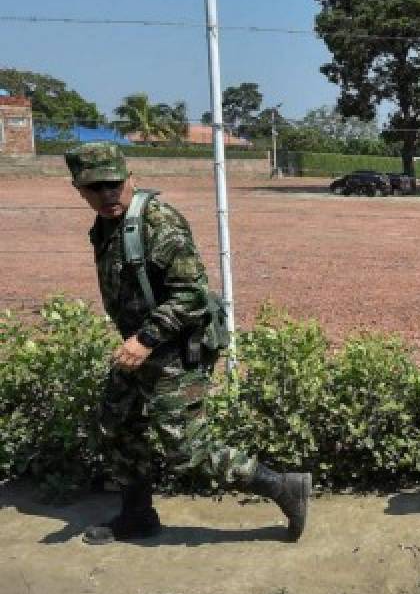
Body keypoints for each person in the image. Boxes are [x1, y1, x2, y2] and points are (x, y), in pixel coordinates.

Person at [66, 142, 312, 544]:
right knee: (118, 422)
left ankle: (284, 487)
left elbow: (192, 295)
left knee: (186, 447)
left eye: (114, 185)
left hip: (175, 348)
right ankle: (137, 514)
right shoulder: (106, 225)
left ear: (131, 180)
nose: (107, 195)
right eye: (95, 188)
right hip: (139, 347)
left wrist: (145, 339)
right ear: (77, 188)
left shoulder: (159, 224)